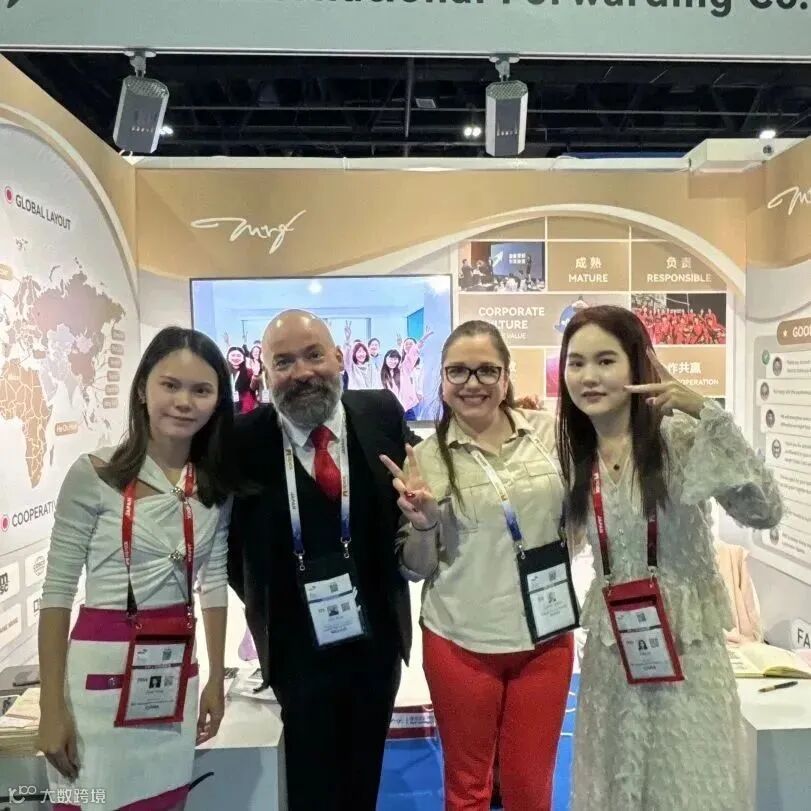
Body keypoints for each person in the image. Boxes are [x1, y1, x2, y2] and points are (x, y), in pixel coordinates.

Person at [557, 305, 782, 811]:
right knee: (612, 788)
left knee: (686, 790)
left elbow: (764, 511)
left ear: (637, 364)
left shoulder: (678, 438)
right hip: (613, 656)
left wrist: (710, 416)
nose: (589, 376)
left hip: (687, 653)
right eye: (576, 362)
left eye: (606, 361)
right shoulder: (576, 456)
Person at [37, 327, 236, 811]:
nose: (184, 402)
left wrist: (214, 678)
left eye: (201, 390)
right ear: (144, 388)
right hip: (97, 687)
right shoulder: (94, 474)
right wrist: (50, 705)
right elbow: (57, 594)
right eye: (170, 385)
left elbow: (213, 583)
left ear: (217, 403)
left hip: (172, 678)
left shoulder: (214, 487)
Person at [227, 310, 418, 811]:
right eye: (283, 362)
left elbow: (432, 470)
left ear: (338, 357)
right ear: (264, 373)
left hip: (375, 642)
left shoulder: (381, 413)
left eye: (314, 355)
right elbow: (228, 546)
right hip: (295, 651)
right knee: (309, 785)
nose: (302, 372)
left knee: (362, 780)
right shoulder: (242, 440)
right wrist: (265, 601)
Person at [381, 320, 575, 811]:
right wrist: (424, 524)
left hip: (544, 638)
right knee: (468, 788)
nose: (472, 383)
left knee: (531, 788)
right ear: (442, 380)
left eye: (487, 370)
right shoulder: (425, 458)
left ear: (506, 377)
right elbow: (414, 569)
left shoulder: (550, 435)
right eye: (458, 371)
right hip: (461, 641)